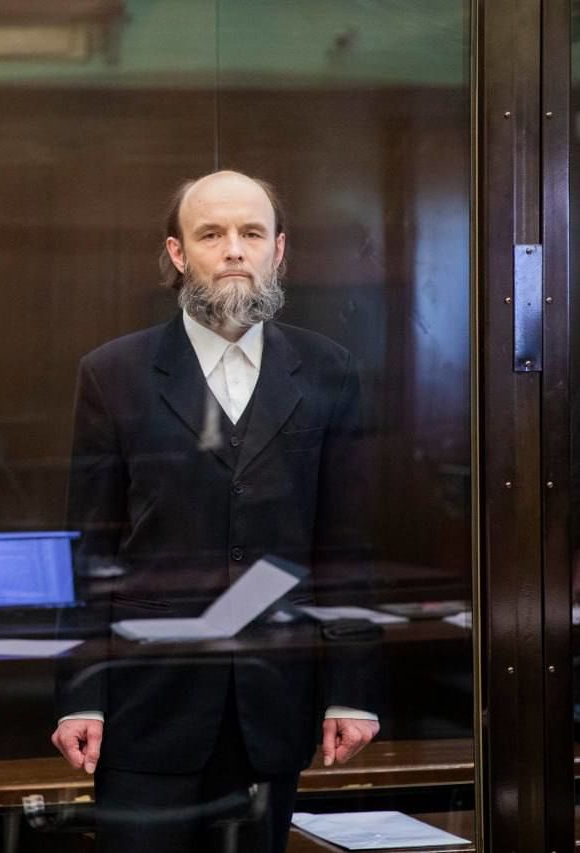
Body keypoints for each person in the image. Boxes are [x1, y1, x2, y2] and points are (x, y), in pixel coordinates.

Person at [50, 170, 380, 852]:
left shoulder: (330, 369)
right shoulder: (112, 373)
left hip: (275, 702)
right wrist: (80, 695)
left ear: (277, 251)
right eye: (211, 234)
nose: (233, 249)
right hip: (145, 707)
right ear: (178, 253)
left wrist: (351, 688)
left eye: (252, 233)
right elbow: (88, 550)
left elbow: (344, 543)